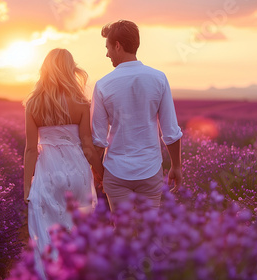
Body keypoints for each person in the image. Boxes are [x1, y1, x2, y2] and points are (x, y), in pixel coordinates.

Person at [23, 48, 103, 279]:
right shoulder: (80, 102)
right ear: (70, 69)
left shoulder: (33, 104)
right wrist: (101, 174)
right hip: (76, 170)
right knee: (77, 227)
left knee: (47, 228)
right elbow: (88, 145)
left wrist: (27, 185)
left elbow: (30, 149)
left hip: (48, 171)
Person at [91, 20, 183, 213]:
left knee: (123, 233)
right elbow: (171, 131)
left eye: (107, 47)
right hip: (150, 169)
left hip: (116, 171)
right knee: (148, 232)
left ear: (117, 45)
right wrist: (176, 166)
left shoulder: (103, 85)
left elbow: (98, 140)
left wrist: (97, 172)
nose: (106, 54)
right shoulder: (159, 78)